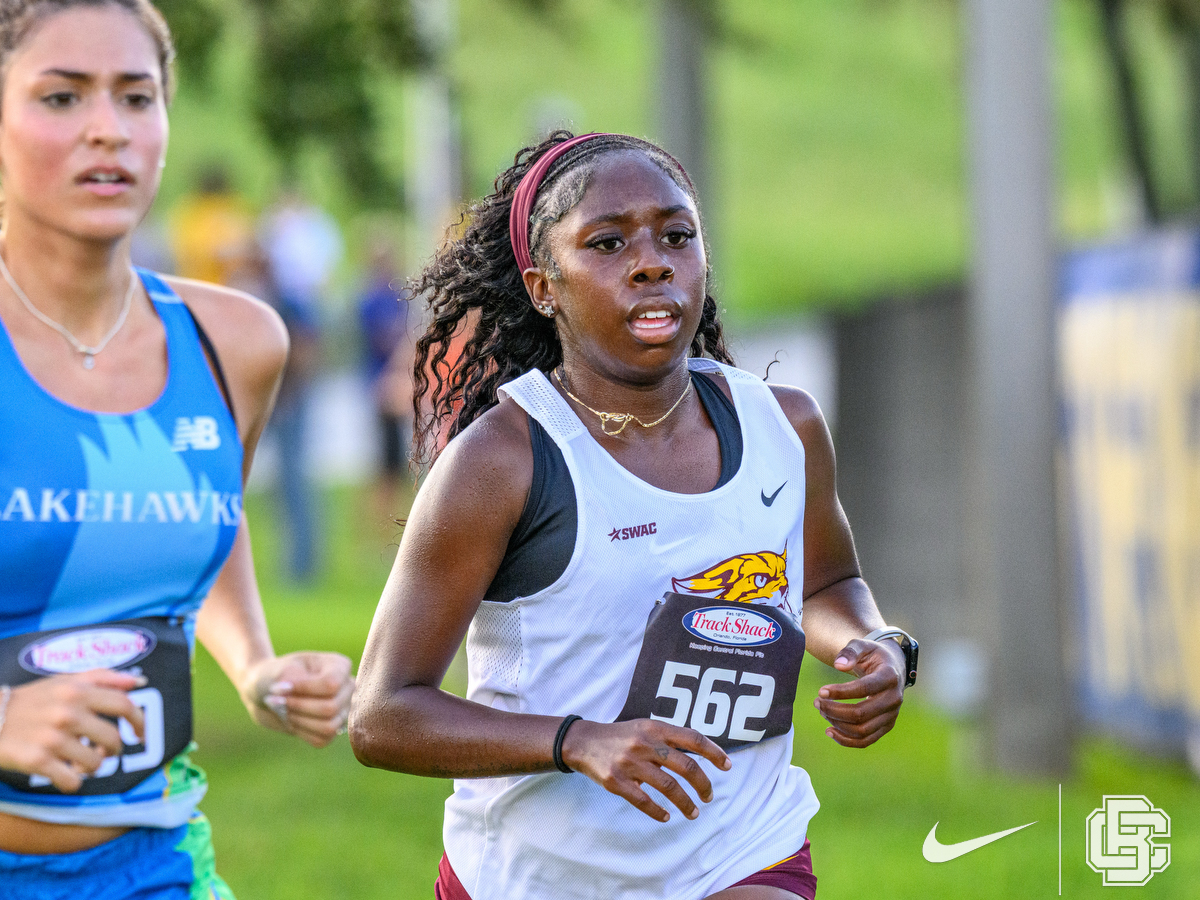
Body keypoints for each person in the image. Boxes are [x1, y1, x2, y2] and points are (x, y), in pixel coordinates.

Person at [350, 131, 917, 899]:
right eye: (608, 243)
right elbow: (383, 716)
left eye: (676, 236)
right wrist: (577, 743)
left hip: (742, 848)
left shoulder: (787, 426)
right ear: (543, 285)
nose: (652, 262)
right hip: (536, 874)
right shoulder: (503, 462)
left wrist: (873, 645)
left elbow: (825, 583)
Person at [0, 3, 354, 898]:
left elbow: (209, 513)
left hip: (159, 860)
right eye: (61, 97)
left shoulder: (236, 343)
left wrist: (258, 666)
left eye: (136, 96)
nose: (106, 130)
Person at [356, 234, 412, 522]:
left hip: (398, 384)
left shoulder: (396, 296)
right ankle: (380, 517)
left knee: (398, 455)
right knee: (385, 457)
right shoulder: (371, 300)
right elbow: (383, 338)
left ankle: (394, 514)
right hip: (381, 383)